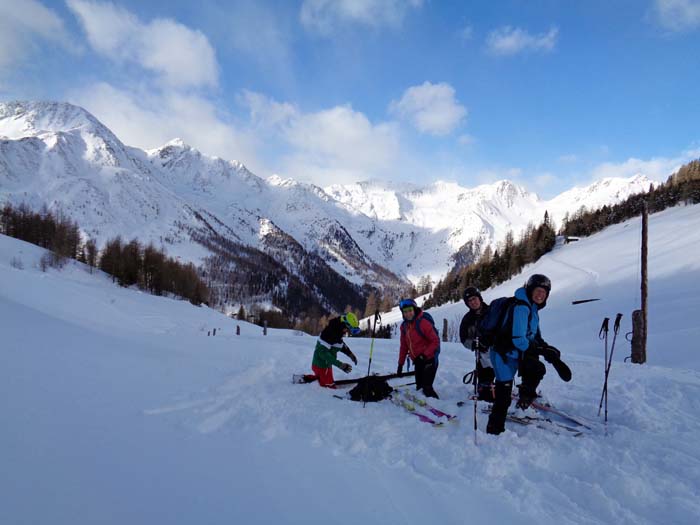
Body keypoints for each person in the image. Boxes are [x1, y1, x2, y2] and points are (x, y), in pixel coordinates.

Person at [486, 274, 561, 435]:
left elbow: (534, 336)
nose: (541, 295)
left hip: (516, 355)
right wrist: (539, 350)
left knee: (536, 369)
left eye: (544, 292)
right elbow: (519, 340)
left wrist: (546, 348)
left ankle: (523, 404)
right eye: (538, 290)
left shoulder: (532, 307)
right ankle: (494, 431)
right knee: (503, 397)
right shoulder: (522, 307)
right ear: (530, 290)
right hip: (503, 356)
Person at [396, 298, 440, 398]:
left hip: (429, 360)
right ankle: (423, 406)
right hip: (417, 361)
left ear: (415, 310)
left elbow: (435, 341)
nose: (408, 314)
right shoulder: (404, 327)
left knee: (427, 388)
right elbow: (404, 346)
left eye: (410, 310)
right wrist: (400, 364)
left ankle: (438, 406)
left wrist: (424, 356)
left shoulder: (423, 323)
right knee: (419, 387)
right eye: (405, 312)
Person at [459, 286, 495, 401]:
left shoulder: (492, 312)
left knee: (501, 377)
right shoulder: (467, 319)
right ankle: (485, 390)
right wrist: (474, 344)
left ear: (479, 298)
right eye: (469, 301)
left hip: (497, 351)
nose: (473, 302)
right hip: (482, 355)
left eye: (474, 299)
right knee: (485, 387)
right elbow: (464, 339)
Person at [311, 313, 360, 388]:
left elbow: (340, 344)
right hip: (321, 366)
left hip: (327, 365)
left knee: (325, 381)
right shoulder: (329, 333)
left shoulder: (338, 331)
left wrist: (350, 354)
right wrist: (340, 365)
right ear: (344, 325)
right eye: (348, 329)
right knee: (329, 387)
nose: (347, 332)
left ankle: (312, 378)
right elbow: (323, 354)